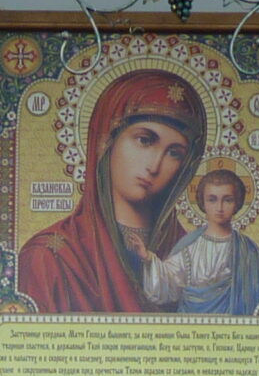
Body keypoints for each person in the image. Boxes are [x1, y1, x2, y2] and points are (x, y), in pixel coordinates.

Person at [15, 70, 207, 314]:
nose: (154, 165)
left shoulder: (193, 256)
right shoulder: (51, 257)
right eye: (145, 140)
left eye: (174, 153)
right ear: (106, 140)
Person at [143, 169, 259, 316]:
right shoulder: (189, 247)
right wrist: (148, 258)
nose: (220, 207)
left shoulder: (250, 253)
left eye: (227, 200)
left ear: (237, 203)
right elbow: (167, 285)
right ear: (202, 202)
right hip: (193, 329)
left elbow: (258, 306)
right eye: (212, 199)